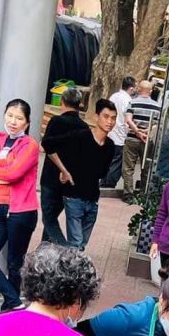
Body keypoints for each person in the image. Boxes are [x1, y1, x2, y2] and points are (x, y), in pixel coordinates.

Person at [0, 99, 41, 312]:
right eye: (10, 116)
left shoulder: (30, 145)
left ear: (27, 122)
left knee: (14, 263)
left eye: (19, 118)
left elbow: (14, 173)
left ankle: (11, 306)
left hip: (21, 212)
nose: (13, 121)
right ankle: (14, 300)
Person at [42, 99, 117, 249]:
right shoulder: (81, 136)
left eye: (113, 118)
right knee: (75, 244)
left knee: (81, 245)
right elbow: (48, 144)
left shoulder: (110, 146)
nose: (109, 121)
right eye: (106, 116)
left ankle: (66, 257)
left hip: (93, 200)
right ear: (96, 117)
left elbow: (102, 173)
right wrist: (64, 170)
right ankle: (65, 252)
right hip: (74, 197)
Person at [39, 88, 87, 245]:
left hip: (50, 179)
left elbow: (46, 146)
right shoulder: (84, 127)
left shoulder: (56, 121)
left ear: (62, 102)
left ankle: (65, 248)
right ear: (79, 104)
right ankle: (45, 249)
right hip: (70, 182)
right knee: (52, 217)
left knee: (48, 218)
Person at [121, 78, 161, 197]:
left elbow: (128, 119)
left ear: (139, 89)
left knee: (128, 168)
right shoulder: (156, 106)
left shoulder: (132, 102)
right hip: (147, 140)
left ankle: (128, 193)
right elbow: (157, 124)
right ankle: (143, 194)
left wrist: (137, 131)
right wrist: (146, 132)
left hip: (132, 139)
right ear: (150, 91)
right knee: (146, 168)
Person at [101, 74, 135, 188]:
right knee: (116, 163)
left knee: (107, 160)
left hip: (109, 133)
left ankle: (103, 182)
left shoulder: (113, 96)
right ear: (131, 88)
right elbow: (127, 120)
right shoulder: (128, 101)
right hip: (120, 137)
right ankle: (109, 185)